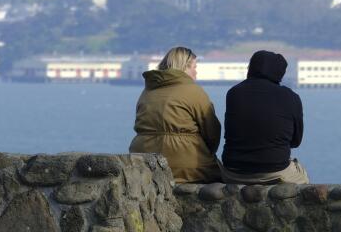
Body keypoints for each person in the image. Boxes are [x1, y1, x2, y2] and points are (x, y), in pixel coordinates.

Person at [129, 46, 222, 183]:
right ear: (184, 67)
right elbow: (212, 133)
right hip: (185, 166)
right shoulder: (194, 91)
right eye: (194, 67)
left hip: (143, 163)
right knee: (222, 178)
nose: (196, 73)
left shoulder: (147, 92)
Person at [221, 50, 308, 184]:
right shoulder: (291, 97)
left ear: (251, 68)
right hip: (275, 170)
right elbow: (296, 141)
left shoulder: (234, 93)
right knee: (302, 175)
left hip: (233, 171)